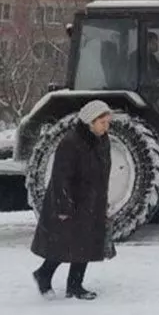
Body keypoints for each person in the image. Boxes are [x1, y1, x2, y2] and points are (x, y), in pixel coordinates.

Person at [30, 100, 116, 300]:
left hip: (92, 201)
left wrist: (103, 200)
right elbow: (60, 177)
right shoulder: (71, 142)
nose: (106, 126)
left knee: (85, 243)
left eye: (107, 122)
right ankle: (44, 274)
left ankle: (75, 285)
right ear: (90, 122)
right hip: (71, 201)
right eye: (102, 122)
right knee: (65, 243)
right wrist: (63, 206)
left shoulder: (103, 141)